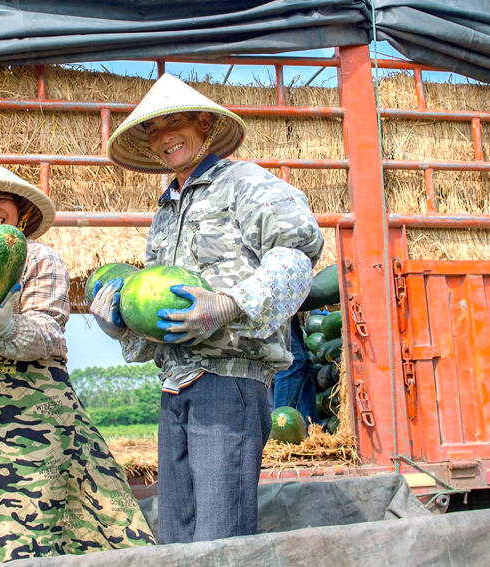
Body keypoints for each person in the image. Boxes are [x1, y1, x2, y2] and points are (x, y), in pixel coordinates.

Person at [92, 73, 324, 543]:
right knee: (177, 531)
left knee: (221, 532)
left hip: (231, 381)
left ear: (204, 124)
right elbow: (153, 303)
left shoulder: (247, 183)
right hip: (174, 384)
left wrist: (227, 304)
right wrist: (121, 326)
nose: (164, 137)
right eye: (154, 131)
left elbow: (298, 256)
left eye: (175, 123)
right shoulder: (165, 211)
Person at [0, 162, 155, 562]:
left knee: (39, 529)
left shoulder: (41, 259)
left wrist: (6, 326)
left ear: (19, 212)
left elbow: (48, 334)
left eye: (2, 199)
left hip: (35, 424)